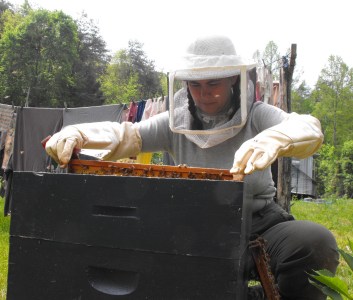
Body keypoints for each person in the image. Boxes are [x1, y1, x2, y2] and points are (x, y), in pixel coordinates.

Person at [46, 35, 339, 300]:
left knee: (314, 242)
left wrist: (277, 137)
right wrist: (79, 133)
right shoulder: (174, 121)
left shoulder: (258, 114)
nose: (204, 93)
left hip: (258, 222)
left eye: (213, 83)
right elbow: (127, 135)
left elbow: (309, 128)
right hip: (191, 227)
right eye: (195, 85)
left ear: (233, 80)